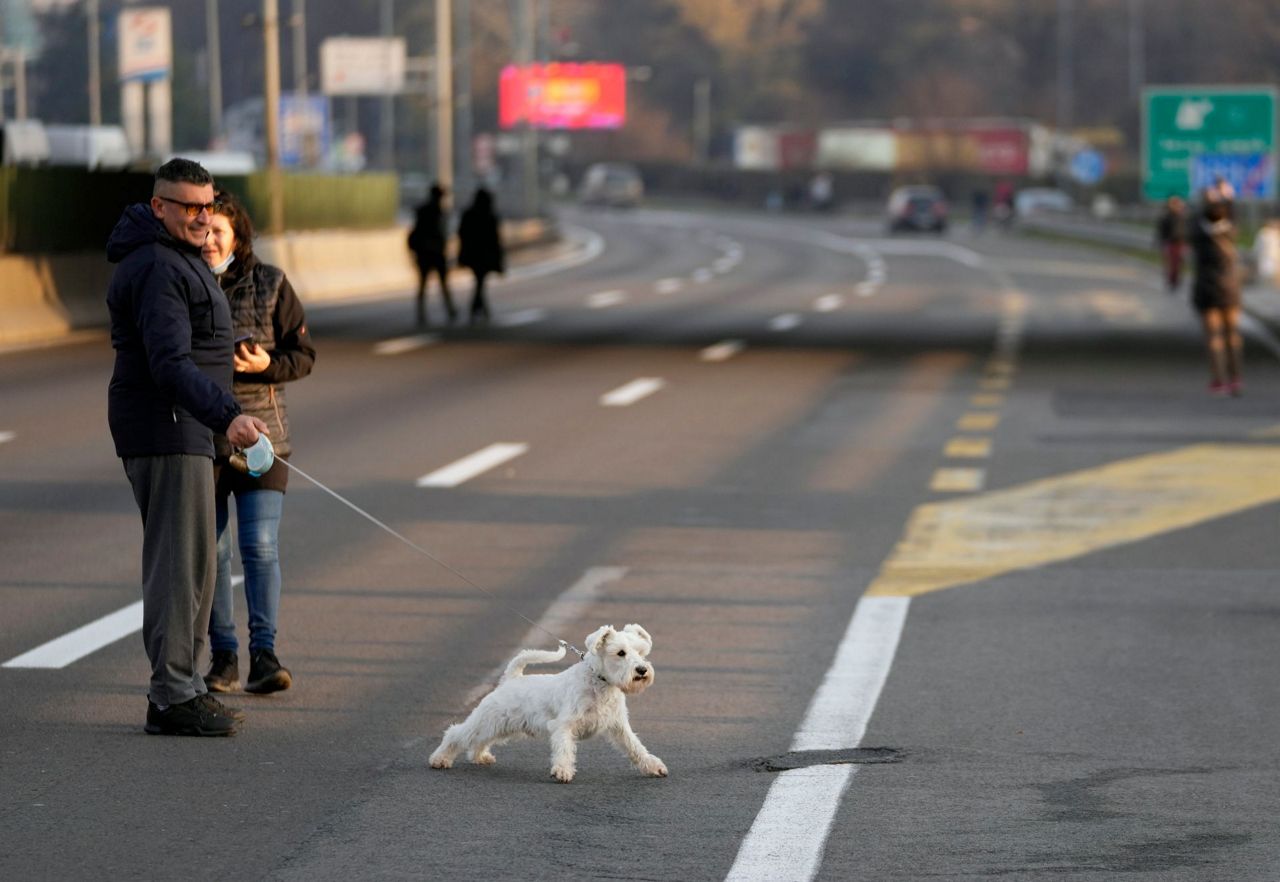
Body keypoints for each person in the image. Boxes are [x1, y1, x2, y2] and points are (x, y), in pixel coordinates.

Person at [106, 158, 268, 736]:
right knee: (179, 568)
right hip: (168, 427)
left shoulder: (177, 258)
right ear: (159, 207)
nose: (203, 216)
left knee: (198, 565)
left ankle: (188, 686)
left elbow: (194, 343)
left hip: (189, 428)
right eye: (190, 207)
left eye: (209, 204)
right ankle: (171, 696)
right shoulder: (156, 265)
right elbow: (169, 363)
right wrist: (229, 416)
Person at [200, 191, 316, 695]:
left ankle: (264, 654)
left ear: (238, 237)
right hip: (202, 438)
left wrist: (266, 364)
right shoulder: (180, 281)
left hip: (263, 439)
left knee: (260, 546)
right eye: (202, 232)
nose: (208, 241)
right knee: (213, 552)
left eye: (218, 233)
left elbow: (303, 355)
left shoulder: (271, 284)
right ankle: (223, 657)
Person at [1189, 196, 1244, 396]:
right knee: (1232, 335)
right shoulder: (1230, 233)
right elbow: (1233, 216)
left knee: (1214, 337)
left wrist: (1205, 202)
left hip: (1207, 289)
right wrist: (1229, 198)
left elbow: (1194, 220)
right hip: (1230, 290)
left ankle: (1219, 379)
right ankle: (1235, 378)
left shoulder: (1199, 236)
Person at [407, 183, 456, 327]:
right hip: (434, 252)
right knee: (441, 284)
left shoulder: (425, 211)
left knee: (424, 284)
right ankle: (449, 310)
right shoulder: (436, 212)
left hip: (425, 253)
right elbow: (440, 233)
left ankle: (422, 313)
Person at [456, 187, 505, 324]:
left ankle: (480, 308)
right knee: (480, 281)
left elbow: (461, 233)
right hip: (484, 255)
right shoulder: (490, 216)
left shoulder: (469, 214)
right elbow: (495, 239)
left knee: (479, 281)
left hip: (472, 254)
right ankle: (478, 308)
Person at [1155, 194, 1188, 291]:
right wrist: (1161, 242)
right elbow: (1161, 231)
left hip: (1181, 243)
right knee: (1170, 264)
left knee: (1179, 264)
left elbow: (1187, 230)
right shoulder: (1166, 217)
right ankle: (1171, 281)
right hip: (1170, 242)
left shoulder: (1183, 216)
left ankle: (1176, 280)